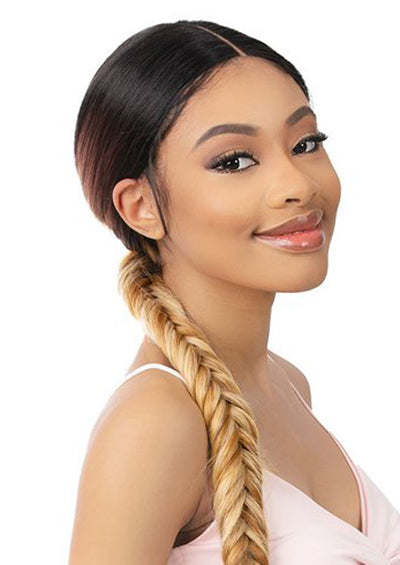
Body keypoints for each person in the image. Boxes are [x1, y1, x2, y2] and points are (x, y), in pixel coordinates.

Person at [68, 19, 400, 565]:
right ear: (141, 207)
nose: (298, 185)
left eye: (305, 143)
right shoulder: (154, 424)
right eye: (234, 161)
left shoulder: (288, 383)